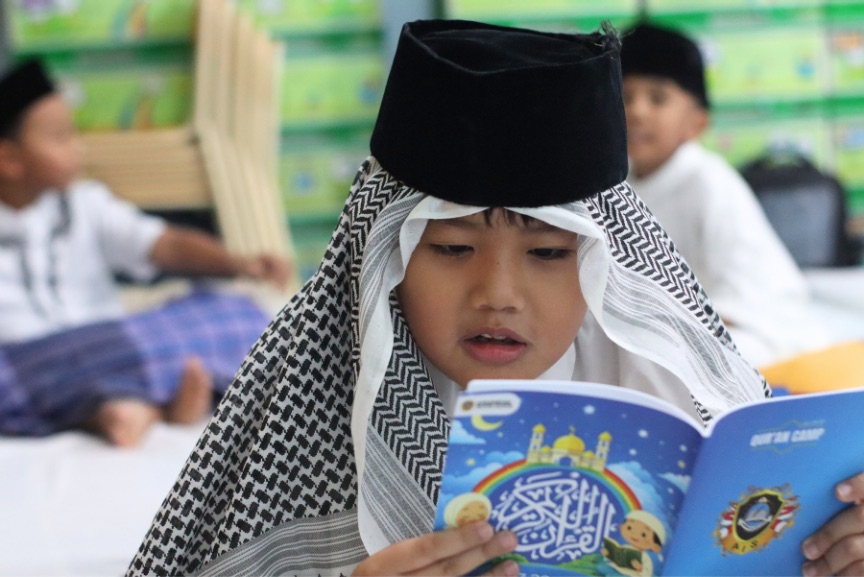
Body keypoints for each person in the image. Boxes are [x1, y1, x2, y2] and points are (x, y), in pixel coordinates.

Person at [126, 20, 864, 577]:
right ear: (387, 259)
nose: (499, 295)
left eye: (548, 253)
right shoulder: (310, 403)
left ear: (604, 265)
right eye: (452, 249)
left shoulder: (671, 393)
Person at [0, 59, 292, 446]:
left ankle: (118, 410)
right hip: (28, 363)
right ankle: (150, 404)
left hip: (111, 346)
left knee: (239, 313)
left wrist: (237, 264)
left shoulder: (86, 203)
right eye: (60, 137)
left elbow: (164, 244)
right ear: (10, 160)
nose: (78, 148)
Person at [619, 21, 831, 368]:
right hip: (668, 331)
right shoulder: (617, 184)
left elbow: (749, 300)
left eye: (658, 98)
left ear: (697, 123)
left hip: (757, 330)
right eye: (625, 97)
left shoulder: (708, 182)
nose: (636, 111)